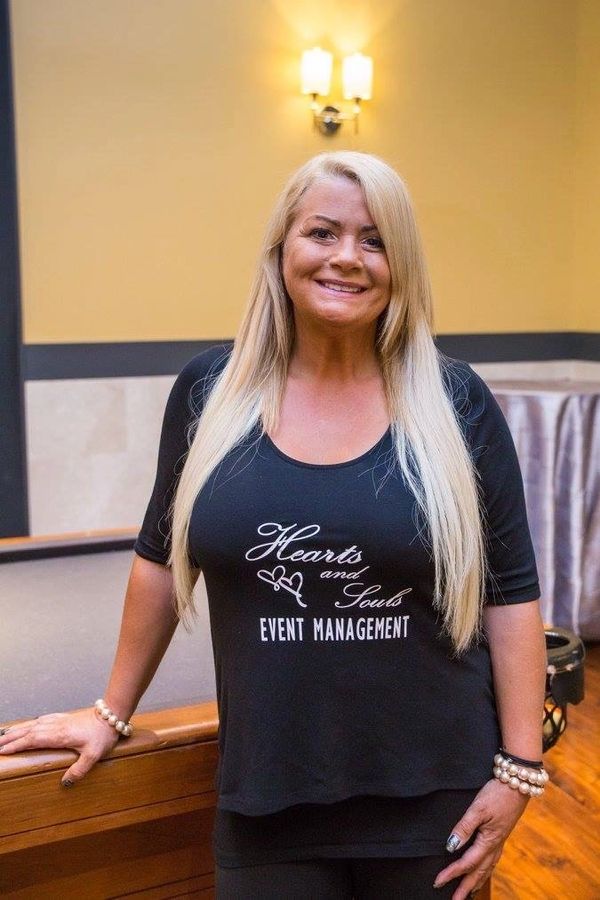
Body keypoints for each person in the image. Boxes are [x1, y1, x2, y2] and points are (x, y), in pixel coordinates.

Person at [0, 152, 547, 899]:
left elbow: (510, 593)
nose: (347, 257)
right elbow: (159, 560)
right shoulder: (210, 392)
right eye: (322, 232)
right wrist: (111, 712)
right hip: (265, 794)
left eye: (376, 240)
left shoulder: (457, 403)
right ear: (281, 248)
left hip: (434, 799)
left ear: (402, 265)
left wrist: (520, 769)